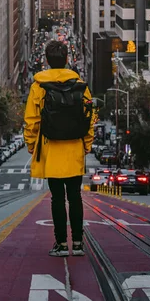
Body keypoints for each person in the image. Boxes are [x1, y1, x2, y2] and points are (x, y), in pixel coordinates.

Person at [24, 40, 94, 257]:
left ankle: (62, 244)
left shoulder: (38, 86)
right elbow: (89, 118)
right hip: (74, 149)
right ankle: (79, 244)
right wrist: (87, 145)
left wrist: (31, 145)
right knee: (75, 197)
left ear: (46, 61)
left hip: (50, 148)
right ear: (66, 60)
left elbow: (32, 120)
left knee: (57, 198)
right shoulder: (80, 85)